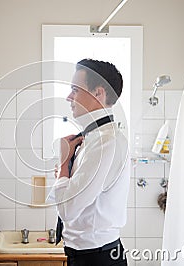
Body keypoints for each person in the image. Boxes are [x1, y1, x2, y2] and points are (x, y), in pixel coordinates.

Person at [51, 59, 130, 266]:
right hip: (88, 256)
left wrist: (63, 162)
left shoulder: (105, 143)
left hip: (97, 259)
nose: (69, 97)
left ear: (98, 93)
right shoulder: (93, 140)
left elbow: (68, 210)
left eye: (75, 90)